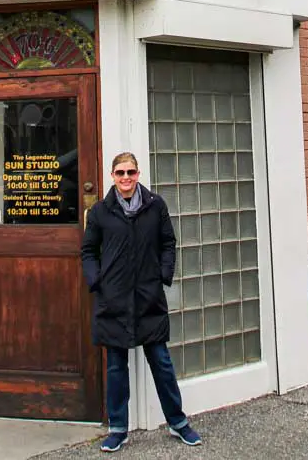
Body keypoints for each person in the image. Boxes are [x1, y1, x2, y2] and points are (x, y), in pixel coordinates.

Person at [81, 152, 201, 451]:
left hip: (148, 298)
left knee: (161, 361)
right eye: (120, 172)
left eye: (130, 172)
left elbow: (168, 243)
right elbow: (88, 252)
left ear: (138, 174)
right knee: (116, 367)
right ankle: (118, 429)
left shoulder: (155, 206)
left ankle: (178, 422)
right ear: (112, 175)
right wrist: (97, 281)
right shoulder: (99, 212)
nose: (126, 178)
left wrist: (162, 275)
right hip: (114, 300)